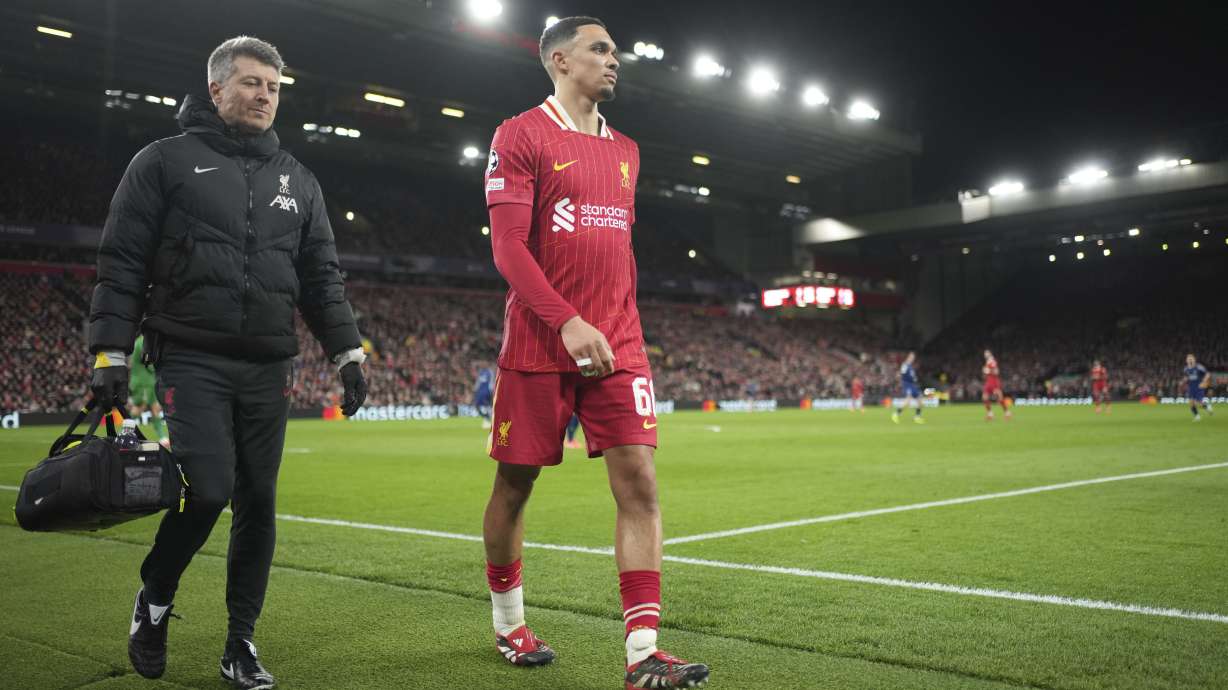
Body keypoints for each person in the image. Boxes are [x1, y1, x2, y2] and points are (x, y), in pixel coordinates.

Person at [87, 36, 368, 689]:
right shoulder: (164, 162)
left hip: (269, 362)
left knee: (259, 502)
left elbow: (322, 278)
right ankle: (154, 597)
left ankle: (240, 641)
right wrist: (109, 350)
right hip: (191, 354)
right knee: (207, 489)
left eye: (273, 87)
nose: (264, 96)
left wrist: (347, 353)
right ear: (216, 90)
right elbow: (121, 261)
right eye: (251, 83)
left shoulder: (299, 180)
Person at [479, 16, 709, 690]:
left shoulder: (630, 151)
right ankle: (508, 624)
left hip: (620, 344)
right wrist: (567, 321)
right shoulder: (518, 135)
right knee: (515, 485)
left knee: (640, 482)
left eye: (616, 51)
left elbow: (615, 252)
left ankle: (643, 655)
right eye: (600, 49)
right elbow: (508, 248)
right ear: (558, 59)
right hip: (540, 343)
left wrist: (609, 323)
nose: (615, 61)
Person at [129, 334, 170, 448]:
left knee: (156, 408)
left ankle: (162, 437)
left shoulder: (145, 341)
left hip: (149, 381)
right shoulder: (141, 342)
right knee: (139, 407)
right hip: (142, 382)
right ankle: (126, 434)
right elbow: (148, 364)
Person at [892, 352, 924, 424]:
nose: (912, 358)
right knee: (908, 401)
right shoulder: (905, 365)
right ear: (908, 357)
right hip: (907, 385)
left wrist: (914, 379)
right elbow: (901, 374)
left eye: (913, 357)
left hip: (913, 385)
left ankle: (917, 416)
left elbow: (911, 376)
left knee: (920, 401)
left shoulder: (910, 366)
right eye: (911, 357)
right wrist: (900, 382)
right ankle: (896, 414)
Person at [1184, 353, 1214, 421]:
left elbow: (1208, 374)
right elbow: (1187, 377)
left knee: (1199, 403)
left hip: (1199, 387)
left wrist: (1204, 381)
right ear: (1186, 360)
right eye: (1189, 359)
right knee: (1191, 404)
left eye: (1191, 359)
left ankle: (1207, 407)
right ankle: (1197, 416)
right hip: (1191, 388)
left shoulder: (1199, 367)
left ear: (1194, 360)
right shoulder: (1186, 369)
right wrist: (1185, 380)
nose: (1190, 360)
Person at [982, 349, 1010, 421]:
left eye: (987, 353)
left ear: (990, 354)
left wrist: (988, 371)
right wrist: (986, 372)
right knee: (985, 397)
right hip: (988, 381)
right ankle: (990, 414)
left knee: (1000, 398)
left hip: (994, 381)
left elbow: (996, 372)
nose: (985, 354)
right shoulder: (988, 362)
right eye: (985, 353)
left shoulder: (992, 361)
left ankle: (1007, 413)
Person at [474, 363, 495, 429]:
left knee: (488, 405)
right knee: (477, 406)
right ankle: (488, 418)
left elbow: (492, 381)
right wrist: (476, 389)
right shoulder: (481, 372)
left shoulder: (490, 372)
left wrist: (491, 390)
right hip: (480, 392)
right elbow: (478, 382)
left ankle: (489, 420)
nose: (482, 364)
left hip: (487, 391)